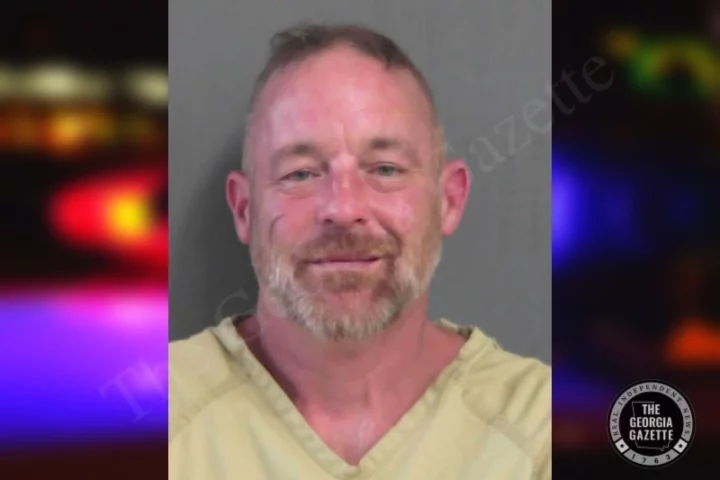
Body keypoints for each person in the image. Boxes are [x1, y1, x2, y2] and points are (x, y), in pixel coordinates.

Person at [169, 23, 550, 479]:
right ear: (245, 210)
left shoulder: (541, 430)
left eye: (385, 169)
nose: (343, 208)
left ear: (448, 201)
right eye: (300, 173)